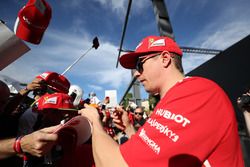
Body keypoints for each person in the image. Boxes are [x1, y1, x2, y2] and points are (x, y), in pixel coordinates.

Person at [79, 35, 244, 166]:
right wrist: (129, 129)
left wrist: (93, 122)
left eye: (139, 65)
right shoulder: (174, 98)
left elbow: (116, 164)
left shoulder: (196, 92)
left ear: (165, 59)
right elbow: (155, 154)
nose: (136, 74)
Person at [0, 80, 59, 166]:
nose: (2, 108)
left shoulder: (4, 116)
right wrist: (20, 145)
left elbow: (8, 108)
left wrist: (27, 89)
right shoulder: (29, 115)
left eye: (3, 103)